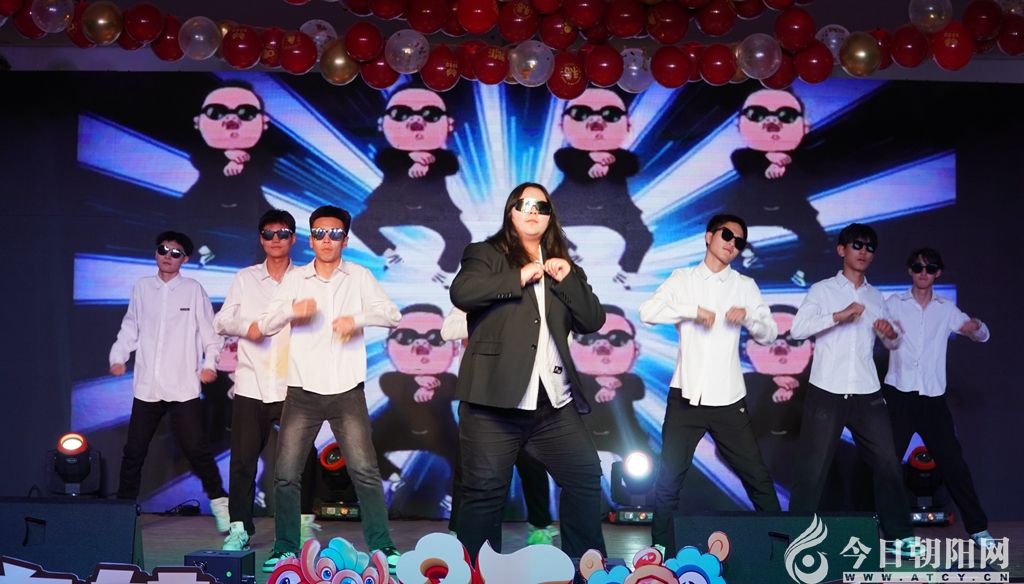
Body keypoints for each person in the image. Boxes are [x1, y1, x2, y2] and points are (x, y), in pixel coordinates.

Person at [449, 182, 607, 560]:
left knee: (585, 476)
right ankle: (475, 572)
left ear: (551, 217)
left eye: (542, 206)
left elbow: (592, 320)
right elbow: (463, 293)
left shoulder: (565, 267)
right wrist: (519, 276)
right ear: (511, 211)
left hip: (552, 404)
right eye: (525, 204)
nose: (533, 211)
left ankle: (585, 568)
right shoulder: (485, 254)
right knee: (484, 492)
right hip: (492, 403)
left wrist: (568, 278)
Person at [253, 205, 402, 572]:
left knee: (365, 472)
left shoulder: (359, 276)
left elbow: (392, 314)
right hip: (302, 391)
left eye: (334, 234)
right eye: (319, 233)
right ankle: (285, 549)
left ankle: (383, 547)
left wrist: (358, 319)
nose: (326, 240)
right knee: (286, 474)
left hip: (346, 390)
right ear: (311, 239)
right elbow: (266, 324)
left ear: (345, 240)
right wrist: (293, 311)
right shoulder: (295, 279)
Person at [639, 214, 781, 553]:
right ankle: (660, 556)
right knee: (668, 482)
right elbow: (648, 312)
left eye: (739, 241)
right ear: (708, 237)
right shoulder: (683, 279)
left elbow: (770, 333)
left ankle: (784, 551)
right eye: (727, 235)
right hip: (685, 397)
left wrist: (749, 317)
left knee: (758, 479)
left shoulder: (744, 286)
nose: (732, 244)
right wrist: (691, 310)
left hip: (728, 399)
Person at [789, 223, 918, 554]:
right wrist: (839, 315)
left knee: (888, 463)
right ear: (841, 250)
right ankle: (794, 539)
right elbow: (798, 330)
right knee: (812, 470)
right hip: (826, 390)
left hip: (866, 391)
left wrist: (890, 334)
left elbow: (892, 342)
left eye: (870, 247)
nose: (864, 252)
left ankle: (900, 537)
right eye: (857, 245)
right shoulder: (822, 290)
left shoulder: (876, 297)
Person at [108, 230, 229, 532]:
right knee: (134, 451)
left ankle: (221, 505)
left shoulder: (193, 289)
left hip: (182, 385)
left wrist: (209, 364)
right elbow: (130, 327)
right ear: (155, 253)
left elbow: (210, 335)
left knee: (196, 449)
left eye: (176, 253)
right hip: (148, 385)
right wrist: (118, 357)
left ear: (185, 259)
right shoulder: (142, 287)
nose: (168, 256)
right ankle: (122, 515)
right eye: (163, 250)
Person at [214, 209, 316, 550]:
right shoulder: (245, 279)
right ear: (261, 239)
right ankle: (239, 528)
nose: (276, 239)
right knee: (243, 461)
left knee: (303, 457)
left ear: (293, 239)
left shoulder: (306, 278)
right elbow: (221, 321)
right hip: (251, 382)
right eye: (269, 234)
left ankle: (302, 524)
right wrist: (249, 327)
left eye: (283, 233)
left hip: (295, 382)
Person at [883, 248, 996, 549]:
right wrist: (887, 334)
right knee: (886, 466)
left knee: (954, 465)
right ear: (910, 270)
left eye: (930, 268)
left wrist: (975, 328)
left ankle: (978, 529)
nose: (924, 273)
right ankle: (884, 528)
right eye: (919, 267)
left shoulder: (946, 308)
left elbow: (981, 334)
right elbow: (882, 336)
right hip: (899, 395)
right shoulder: (894, 303)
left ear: (938, 273)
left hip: (932, 399)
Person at [440, 308, 560, 547]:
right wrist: (493, 322)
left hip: (525, 393)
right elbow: (449, 330)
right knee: (469, 468)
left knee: (532, 465)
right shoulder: (474, 296)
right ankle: (458, 530)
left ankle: (540, 526)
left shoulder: (533, 299)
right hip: (480, 394)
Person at [550, 88, 652, 290]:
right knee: (541, 226)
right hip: (569, 213)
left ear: (628, 125)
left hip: (615, 215)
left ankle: (626, 273)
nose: (596, 121)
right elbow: (572, 165)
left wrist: (607, 161)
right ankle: (568, 251)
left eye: (610, 115)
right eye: (581, 113)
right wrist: (591, 162)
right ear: (562, 125)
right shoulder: (566, 155)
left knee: (642, 236)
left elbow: (631, 166)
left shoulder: (623, 158)